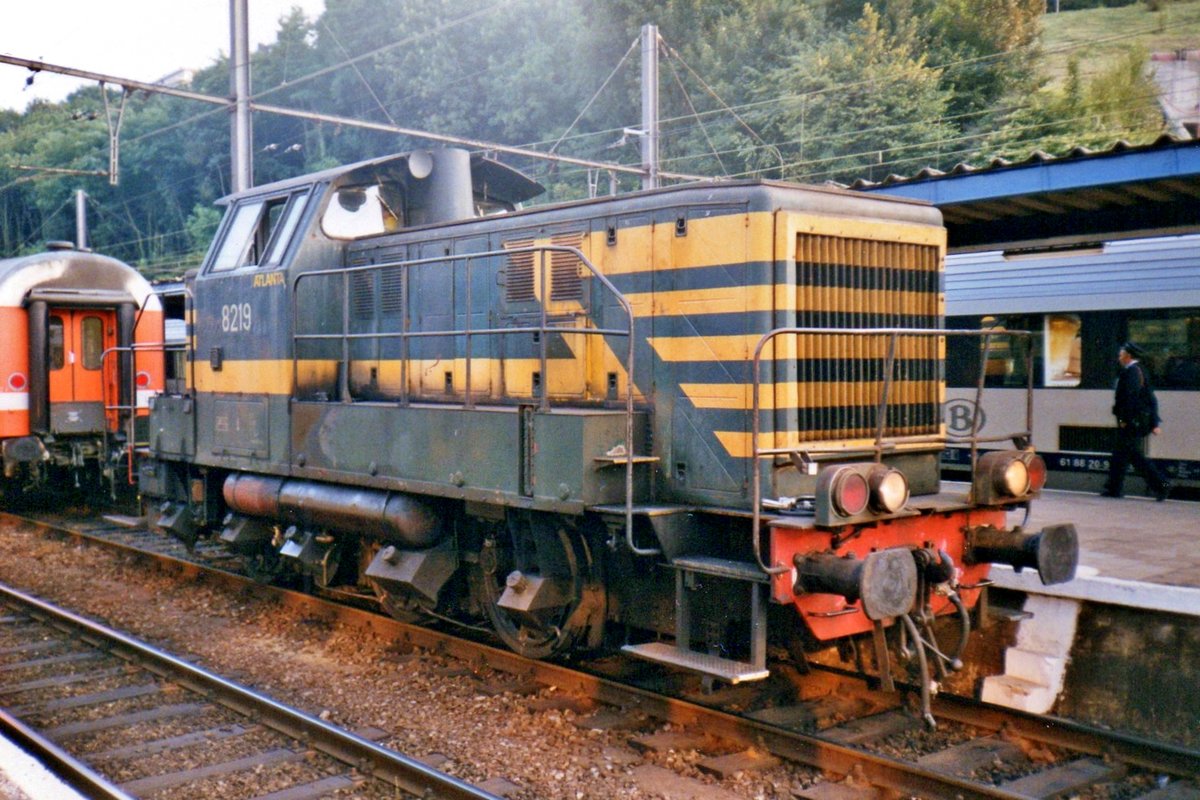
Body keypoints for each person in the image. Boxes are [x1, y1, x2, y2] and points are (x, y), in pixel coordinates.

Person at [1102, 343, 1170, 501]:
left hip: (1131, 423)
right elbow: (1150, 398)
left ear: (1128, 356)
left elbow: (1128, 400)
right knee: (1121, 455)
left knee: (1135, 457)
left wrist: (1123, 420)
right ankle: (1113, 488)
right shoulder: (1139, 370)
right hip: (1133, 422)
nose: (1119, 358)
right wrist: (1154, 422)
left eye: (1121, 355)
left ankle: (1163, 486)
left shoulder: (1132, 372)